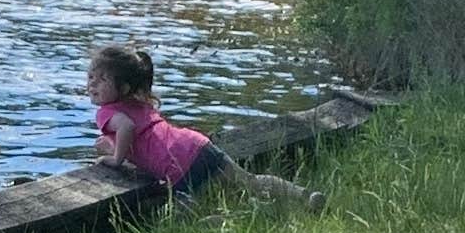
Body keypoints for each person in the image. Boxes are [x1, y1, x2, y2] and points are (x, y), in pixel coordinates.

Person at [85, 43, 321, 203]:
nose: (93, 84)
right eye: (91, 77)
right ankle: (304, 197)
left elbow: (127, 128)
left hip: (178, 167)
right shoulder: (139, 102)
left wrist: (116, 159)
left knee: (184, 216)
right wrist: (112, 146)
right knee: (250, 182)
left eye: (102, 79)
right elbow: (141, 136)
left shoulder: (106, 113)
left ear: (124, 87)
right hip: (195, 144)